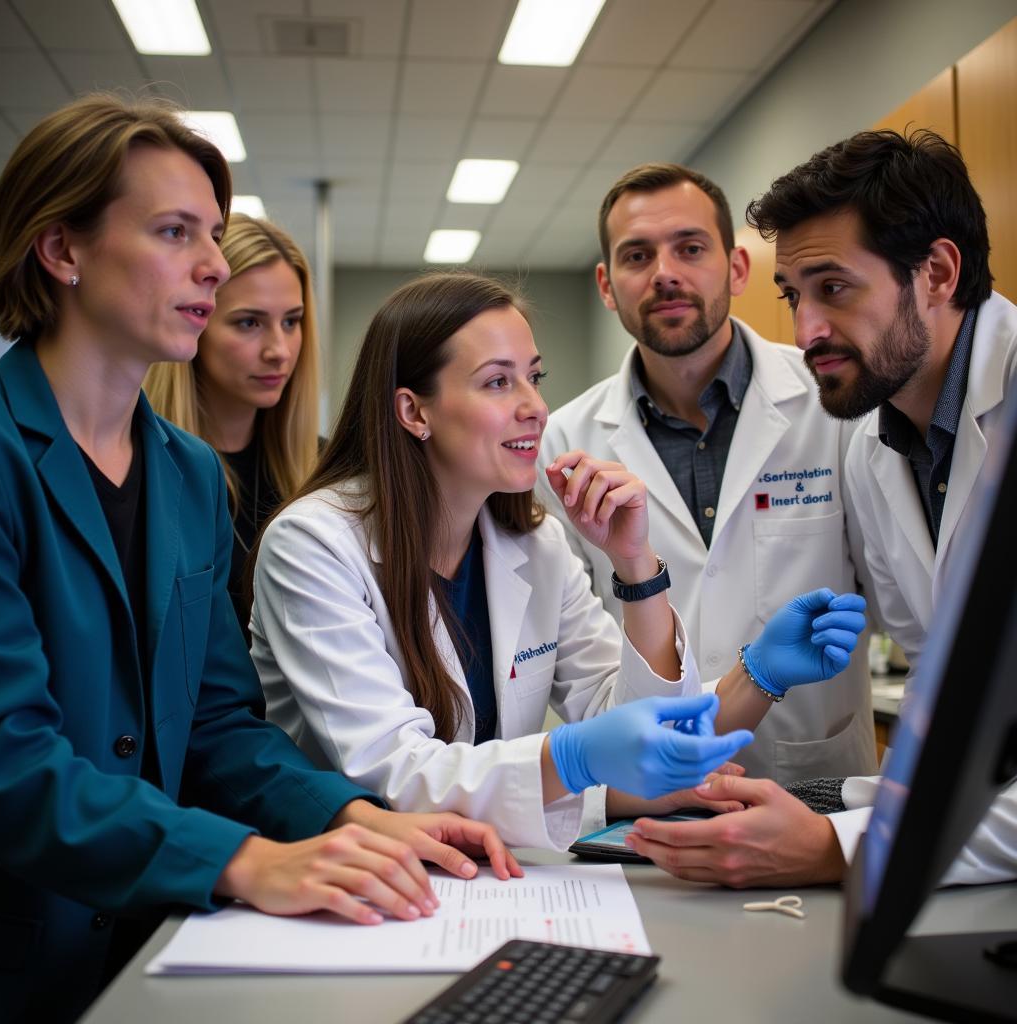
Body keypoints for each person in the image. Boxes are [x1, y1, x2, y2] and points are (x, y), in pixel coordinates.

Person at [0, 96, 517, 1024]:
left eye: (211, 233)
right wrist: (244, 860)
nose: (208, 264)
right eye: (173, 231)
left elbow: (217, 726)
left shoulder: (190, 475)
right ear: (62, 251)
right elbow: (12, 762)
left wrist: (353, 817)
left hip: (150, 942)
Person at [251, 270, 868, 851]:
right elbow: (396, 776)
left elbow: (626, 723)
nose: (536, 408)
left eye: (534, 378)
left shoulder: (533, 544)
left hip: (484, 872)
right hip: (343, 879)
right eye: (498, 382)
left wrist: (636, 566)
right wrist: (574, 760)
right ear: (414, 411)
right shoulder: (313, 545)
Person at [623, 129, 1017, 888]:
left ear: (936, 272)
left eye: (834, 288)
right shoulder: (876, 443)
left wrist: (843, 848)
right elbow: (949, 693)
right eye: (793, 297)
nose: (804, 333)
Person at [538, 163, 876, 785]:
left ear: (738, 268)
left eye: (690, 248)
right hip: (648, 798)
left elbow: (892, 594)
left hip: (813, 781)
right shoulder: (564, 442)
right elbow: (575, 654)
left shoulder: (833, 402)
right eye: (637, 255)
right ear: (607, 286)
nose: (664, 272)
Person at [145, 213, 319, 637]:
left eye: (291, 322)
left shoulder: (322, 467)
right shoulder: (145, 467)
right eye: (249, 323)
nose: (279, 350)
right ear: (197, 319)